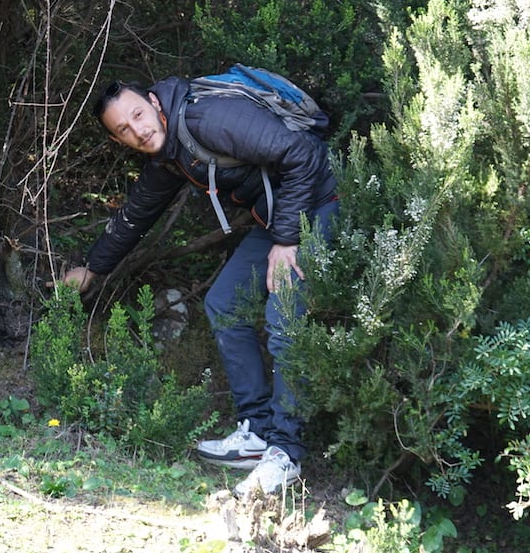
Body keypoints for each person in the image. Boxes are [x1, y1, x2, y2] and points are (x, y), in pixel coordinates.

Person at [61, 73, 338, 497]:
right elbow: (138, 213)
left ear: (154, 102)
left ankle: (287, 453)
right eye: (124, 129)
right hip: (283, 217)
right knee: (225, 303)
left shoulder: (206, 118)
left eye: (138, 115)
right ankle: (258, 434)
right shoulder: (171, 154)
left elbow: (301, 154)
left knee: (283, 316)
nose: (137, 130)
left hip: (321, 204)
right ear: (118, 140)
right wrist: (93, 269)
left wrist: (287, 241)